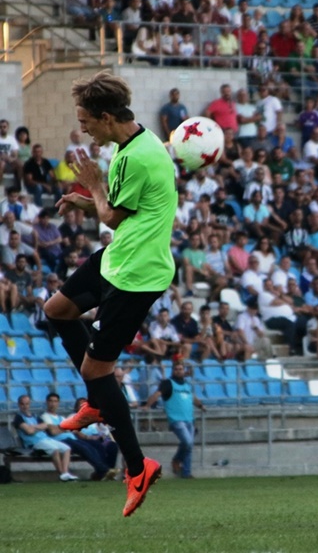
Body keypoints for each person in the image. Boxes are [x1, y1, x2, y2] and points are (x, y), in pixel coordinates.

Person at [45, 71, 173, 517]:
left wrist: (93, 187)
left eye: (86, 121)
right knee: (56, 310)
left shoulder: (135, 158)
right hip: (119, 257)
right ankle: (95, 403)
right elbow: (119, 211)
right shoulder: (129, 146)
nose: (83, 128)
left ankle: (138, 468)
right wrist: (85, 199)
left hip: (137, 274)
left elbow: (114, 216)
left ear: (106, 116)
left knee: (97, 369)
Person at [146, 360, 205, 479]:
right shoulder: (168, 383)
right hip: (176, 420)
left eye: (180, 369)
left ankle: (186, 473)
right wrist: (147, 406)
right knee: (187, 442)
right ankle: (176, 460)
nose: (178, 371)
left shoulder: (186, 384)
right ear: (172, 371)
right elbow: (157, 394)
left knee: (189, 445)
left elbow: (192, 397)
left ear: (184, 371)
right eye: (176, 369)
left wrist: (200, 406)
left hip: (189, 419)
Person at [41, 392, 119, 481]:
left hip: (72, 438)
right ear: (47, 402)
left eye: (55, 401)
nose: (53, 404)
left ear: (58, 403)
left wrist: (62, 428)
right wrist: (65, 428)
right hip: (61, 441)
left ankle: (102, 471)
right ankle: (103, 470)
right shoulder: (45, 417)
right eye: (51, 401)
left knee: (92, 447)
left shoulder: (61, 418)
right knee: (84, 448)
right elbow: (53, 432)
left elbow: (71, 429)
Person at [13, 394, 78, 482]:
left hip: (45, 439)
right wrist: (38, 427)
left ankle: (66, 472)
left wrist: (33, 426)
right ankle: (62, 474)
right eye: (22, 404)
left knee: (67, 449)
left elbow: (45, 425)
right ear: (19, 404)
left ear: (29, 404)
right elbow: (29, 431)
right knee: (55, 449)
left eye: (27, 404)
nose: (25, 406)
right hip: (34, 443)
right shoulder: (18, 418)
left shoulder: (35, 416)